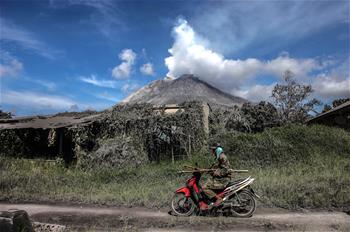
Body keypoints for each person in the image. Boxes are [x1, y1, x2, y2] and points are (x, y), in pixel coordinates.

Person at [202, 144, 231, 208]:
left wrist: (217, 173)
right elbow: (214, 167)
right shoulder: (218, 157)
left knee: (204, 187)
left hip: (223, 179)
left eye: (213, 150)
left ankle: (219, 198)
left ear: (216, 150)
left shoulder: (222, 157)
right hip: (219, 178)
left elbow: (226, 170)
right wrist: (204, 170)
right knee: (207, 183)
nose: (212, 151)